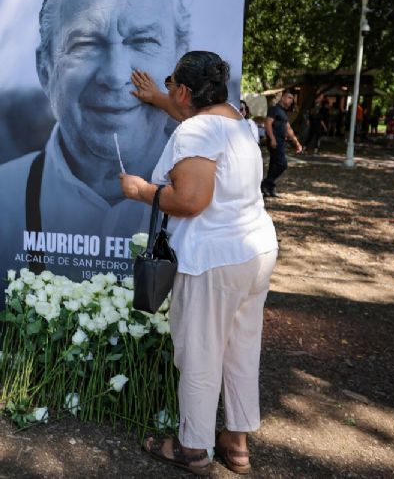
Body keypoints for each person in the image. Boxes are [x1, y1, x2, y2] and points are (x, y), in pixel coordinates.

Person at [120, 51, 278, 476]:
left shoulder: (194, 132)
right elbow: (194, 117)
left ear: (186, 90)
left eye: (173, 84)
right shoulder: (238, 122)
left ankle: (193, 447)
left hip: (213, 261)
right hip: (255, 252)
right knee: (241, 350)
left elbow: (190, 200)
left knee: (201, 353)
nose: (169, 91)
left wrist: (140, 190)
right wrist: (158, 97)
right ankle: (237, 444)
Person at [0, 0, 188, 250]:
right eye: (85, 43)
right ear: (46, 69)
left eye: (143, 40)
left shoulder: (208, 202)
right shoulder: (7, 197)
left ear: (179, 61)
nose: (114, 75)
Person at [260, 91, 302, 197]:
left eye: (292, 99)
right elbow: (268, 123)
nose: (291, 100)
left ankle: (268, 188)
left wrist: (297, 143)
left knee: (273, 165)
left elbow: (288, 129)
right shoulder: (274, 109)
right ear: (282, 98)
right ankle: (266, 183)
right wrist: (272, 139)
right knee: (282, 164)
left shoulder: (283, 112)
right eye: (289, 97)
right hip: (275, 142)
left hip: (281, 142)